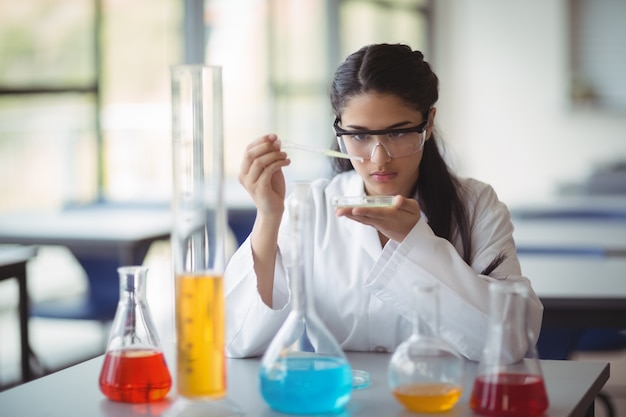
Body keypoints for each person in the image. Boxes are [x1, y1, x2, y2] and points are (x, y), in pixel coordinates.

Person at [224, 43, 543, 361]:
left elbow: (511, 340)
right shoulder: (313, 207)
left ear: (428, 123)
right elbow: (238, 339)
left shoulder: (476, 205)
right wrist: (268, 215)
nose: (379, 158)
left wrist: (415, 242)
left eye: (398, 133)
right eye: (360, 136)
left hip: (442, 399)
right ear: (340, 129)